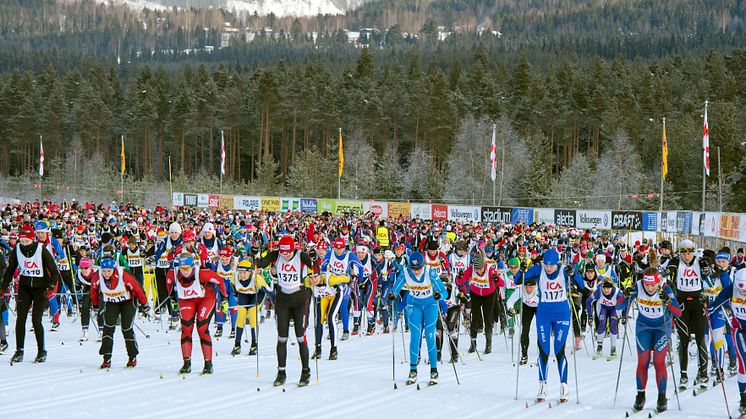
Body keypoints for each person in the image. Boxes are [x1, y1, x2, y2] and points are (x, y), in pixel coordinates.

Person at [520, 248, 587, 403]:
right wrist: (522, 270)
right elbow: (519, 279)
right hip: (544, 313)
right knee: (543, 350)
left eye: (552, 265)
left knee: (559, 349)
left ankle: (564, 385)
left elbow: (582, 286)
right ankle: (542, 385)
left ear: (557, 263)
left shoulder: (563, 271)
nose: (549, 268)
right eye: (547, 264)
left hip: (561, 313)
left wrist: (574, 273)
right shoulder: (539, 269)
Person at [254, 235, 319, 387]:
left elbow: (315, 266)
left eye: (288, 253)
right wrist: (256, 253)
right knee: (282, 338)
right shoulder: (276, 254)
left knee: (300, 337)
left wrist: (314, 257)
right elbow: (261, 263)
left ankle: (305, 372)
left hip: (299, 300)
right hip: (282, 300)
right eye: (283, 253)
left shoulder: (299, 254)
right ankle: (281, 372)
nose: (286, 256)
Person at [618, 268, 681, 413]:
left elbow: (678, 312)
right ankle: (640, 396)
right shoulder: (638, 286)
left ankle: (662, 397)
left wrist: (668, 301)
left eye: (653, 285)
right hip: (643, 327)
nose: (650, 288)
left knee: (659, 361)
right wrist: (625, 296)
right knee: (643, 361)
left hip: (661, 327)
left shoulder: (664, 287)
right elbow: (619, 305)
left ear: (658, 282)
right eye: (647, 285)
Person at [1, 224, 60, 363]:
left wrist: (50, 286)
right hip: (25, 288)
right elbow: (10, 269)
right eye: (22, 241)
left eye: (27, 241)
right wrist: (4, 286)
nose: (24, 244)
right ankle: (19, 351)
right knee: (20, 319)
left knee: (36, 320)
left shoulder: (41, 250)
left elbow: (54, 271)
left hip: (41, 288)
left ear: (32, 239)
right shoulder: (17, 250)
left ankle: (41, 351)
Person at [388, 252, 447, 385]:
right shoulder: (405, 272)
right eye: (414, 269)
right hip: (413, 304)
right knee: (415, 336)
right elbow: (396, 287)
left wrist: (439, 296)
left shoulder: (429, 272)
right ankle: (413, 370)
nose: (416, 272)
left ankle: (434, 370)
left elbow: (444, 292)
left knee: (430, 335)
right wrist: (393, 294)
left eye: (419, 268)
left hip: (430, 305)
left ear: (423, 265)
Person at [166, 253, 227, 375]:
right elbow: (168, 283)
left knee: (202, 328)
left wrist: (224, 298)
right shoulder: (173, 273)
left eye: (187, 268)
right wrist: (172, 296)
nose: (185, 272)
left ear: (193, 266)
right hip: (187, 300)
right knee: (186, 328)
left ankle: (208, 364)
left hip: (206, 299)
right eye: (182, 269)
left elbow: (220, 280)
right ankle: (186, 363)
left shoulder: (202, 273)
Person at [665, 239, 711, 388]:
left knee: (700, 339)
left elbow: (709, 275)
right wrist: (667, 272)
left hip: (697, 303)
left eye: (689, 252)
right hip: (682, 303)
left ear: (693, 251)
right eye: (683, 252)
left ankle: (703, 374)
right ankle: (683, 375)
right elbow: (669, 269)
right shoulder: (676, 261)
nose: (687, 256)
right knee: (683, 340)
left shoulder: (700, 261)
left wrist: (707, 269)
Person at [90, 256, 149, 368]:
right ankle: (106, 358)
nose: (106, 274)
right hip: (112, 302)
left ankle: (132, 356)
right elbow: (93, 291)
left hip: (128, 301)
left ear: (114, 268)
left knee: (126, 328)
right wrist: (96, 305)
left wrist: (144, 303)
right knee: (108, 327)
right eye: (104, 271)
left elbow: (137, 288)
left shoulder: (123, 274)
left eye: (109, 271)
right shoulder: (97, 276)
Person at [709, 268, 746, 415]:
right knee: (744, 363)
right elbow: (715, 306)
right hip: (740, 331)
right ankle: (744, 400)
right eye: (741, 289)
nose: (743, 293)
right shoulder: (731, 290)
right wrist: (707, 305)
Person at [456, 251, 504, 354]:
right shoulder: (471, 270)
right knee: (475, 318)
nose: (479, 271)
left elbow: (502, 283)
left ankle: (488, 344)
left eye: (480, 269)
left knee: (488, 318)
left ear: (484, 266)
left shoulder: (490, 270)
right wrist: (459, 276)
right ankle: (473, 344)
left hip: (489, 295)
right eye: (477, 269)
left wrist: (496, 279)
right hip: (476, 294)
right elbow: (460, 282)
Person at [320, 237, 363, 340]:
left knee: (343, 307)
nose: (338, 250)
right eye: (336, 248)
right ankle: (332, 330)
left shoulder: (350, 255)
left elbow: (360, 267)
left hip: (344, 283)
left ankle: (346, 330)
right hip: (332, 283)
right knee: (331, 308)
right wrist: (323, 278)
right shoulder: (330, 254)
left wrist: (360, 279)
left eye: (341, 248)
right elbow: (323, 266)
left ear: (344, 247)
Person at [231, 258, 273, 356]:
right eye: (240, 272)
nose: (242, 275)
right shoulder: (235, 277)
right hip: (244, 295)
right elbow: (233, 289)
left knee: (252, 316)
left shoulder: (256, 278)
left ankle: (254, 344)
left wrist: (276, 301)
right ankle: (237, 344)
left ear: (250, 272)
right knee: (240, 318)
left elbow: (269, 292)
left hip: (257, 296)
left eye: (245, 273)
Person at [586, 279, 624, 359]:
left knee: (613, 325)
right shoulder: (599, 291)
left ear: (612, 287)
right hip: (603, 308)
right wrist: (590, 315)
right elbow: (588, 301)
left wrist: (624, 315)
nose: (606, 290)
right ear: (602, 287)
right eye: (604, 288)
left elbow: (625, 303)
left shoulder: (618, 293)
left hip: (614, 309)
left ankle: (613, 349)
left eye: (608, 288)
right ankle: (599, 348)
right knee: (602, 324)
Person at [507, 275, 539, 365]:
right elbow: (509, 301)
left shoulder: (539, 290)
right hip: (527, 308)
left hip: (539, 308)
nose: (528, 290)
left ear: (535, 286)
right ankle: (524, 355)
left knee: (541, 331)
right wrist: (510, 309)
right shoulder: (521, 289)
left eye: (531, 287)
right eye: (526, 287)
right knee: (525, 330)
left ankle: (541, 356)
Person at [75, 258, 104, 342]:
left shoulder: (98, 272)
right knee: (84, 307)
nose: (84, 270)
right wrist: (79, 297)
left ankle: (102, 331)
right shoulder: (78, 275)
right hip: (88, 290)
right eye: (81, 268)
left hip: (100, 290)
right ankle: (85, 331)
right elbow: (77, 287)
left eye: (86, 268)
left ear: (90, 267)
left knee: (101, 308)